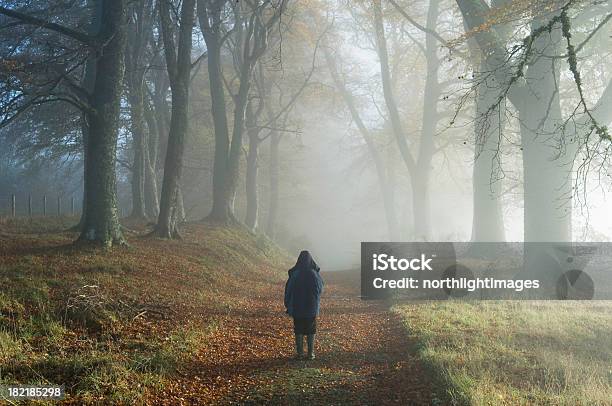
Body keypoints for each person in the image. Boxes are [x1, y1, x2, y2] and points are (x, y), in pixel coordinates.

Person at [284, 250, 324, 360]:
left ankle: (300, 353)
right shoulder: (314, 274)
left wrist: (287, 303)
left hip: (297, 305)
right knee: (311, 328)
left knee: (298, 328)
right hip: (311, 306)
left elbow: (289, 289)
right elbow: (320, 289)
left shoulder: (295, 274)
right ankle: (311, 353)